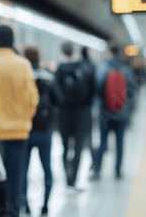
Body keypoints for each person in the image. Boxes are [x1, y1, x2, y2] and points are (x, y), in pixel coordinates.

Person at [0, 25, 39, 217]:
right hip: (18, 132)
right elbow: (32, 98)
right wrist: (24, 119)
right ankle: (12, 213)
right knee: (15, 178)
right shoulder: (23, 64)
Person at [22, 45, 63, 216]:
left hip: (25, 130)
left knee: (23, 169)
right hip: (45, 130)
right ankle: (45, 205)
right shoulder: (48, 76)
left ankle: (25, 204)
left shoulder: (22, 75)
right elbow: (60, 99)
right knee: (47, 167)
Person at [90, 43, 136, 180]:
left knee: (103, 141)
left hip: (105, 112)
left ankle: (98, 169)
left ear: (109, 51)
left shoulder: (102, 68)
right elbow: (132, 90)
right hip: (122, 112)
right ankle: (118, 170)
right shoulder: (127, 69)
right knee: (119, 142)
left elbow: (97, 89)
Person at [55, 42, 94, 190]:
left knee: (65, 147)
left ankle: (67, 178)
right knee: (78, 147)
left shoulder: (59, 70)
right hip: (82, 112)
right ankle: (73, 179)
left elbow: (55, 93)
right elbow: (93, 90)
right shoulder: (84, 69)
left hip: (64, 113)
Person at [80, 47, 97, 167]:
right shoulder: (92, 66)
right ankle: (93, 161)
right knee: (89, 136)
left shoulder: (79, 67)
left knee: (78, 137)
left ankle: (76, 162)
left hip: (79, 108)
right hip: (90, 106)